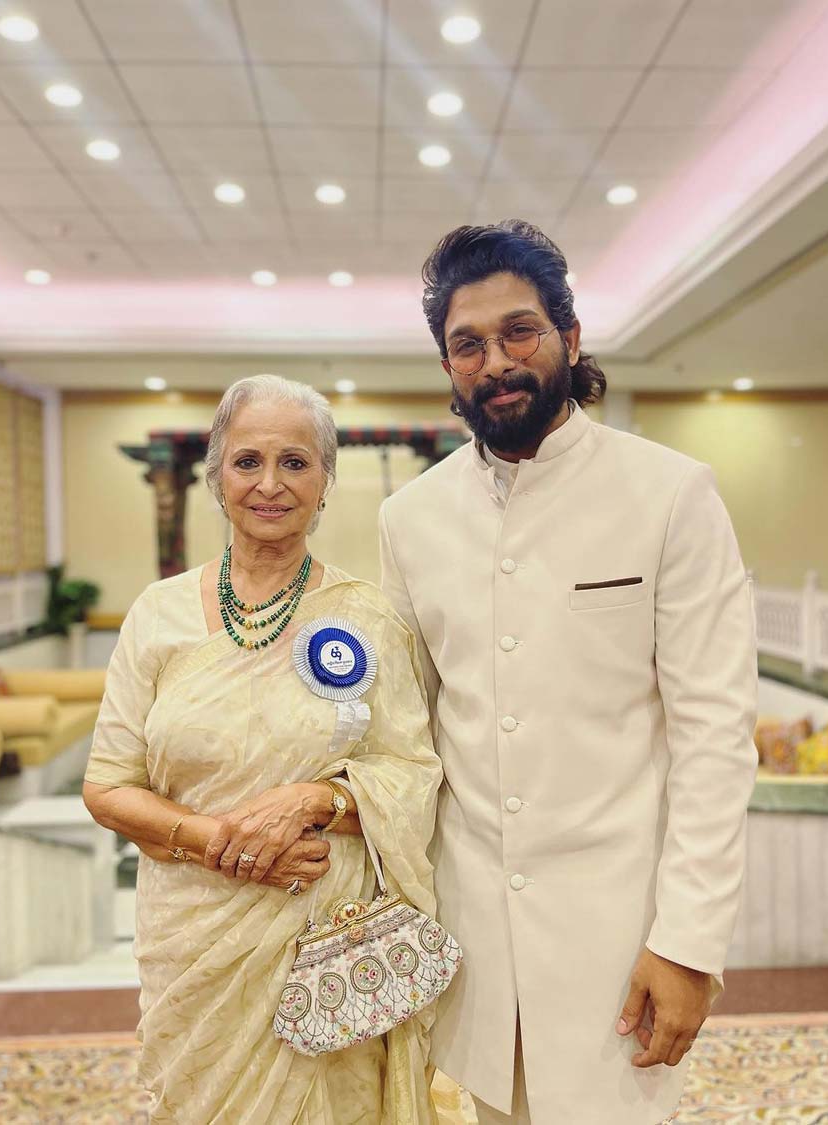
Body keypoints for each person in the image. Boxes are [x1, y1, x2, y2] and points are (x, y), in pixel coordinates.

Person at [378, 221, 758, 1125]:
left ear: (570, 338)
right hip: (475, 944)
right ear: (447, 367)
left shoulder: (672, 493)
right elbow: (408, 727)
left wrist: (690, 944)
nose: (496, 360)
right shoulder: (410, 517)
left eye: (520, 331)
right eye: (467, 344)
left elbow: (714, 738)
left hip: (620, 940)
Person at [83, 375, 443, 1124]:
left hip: (327, 950)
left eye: (296, 462)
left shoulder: (366, 617)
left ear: (326, 480)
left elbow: (413, 771)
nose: (270, 484)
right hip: (196, 950)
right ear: (217, 475)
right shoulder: (158, 615)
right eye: (247, 461)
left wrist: (318, 799)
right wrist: (226, 842)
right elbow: (108, 784)